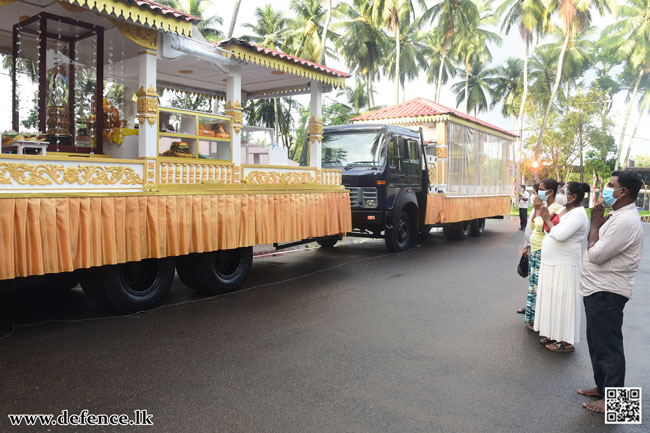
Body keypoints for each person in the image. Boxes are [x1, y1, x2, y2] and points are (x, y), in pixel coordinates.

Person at [578, 171, 644, 414]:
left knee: (609, 345)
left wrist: (595, 226)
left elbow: (595, 254)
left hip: (608, 292)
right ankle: (604, 387)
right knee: (597, 341)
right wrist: (597, 227)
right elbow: (594, 245)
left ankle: (617, 404)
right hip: (597, 289)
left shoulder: (625, 222)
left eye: (610, 185)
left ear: (623, 191)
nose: (605, 189)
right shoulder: (617, 216)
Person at [534, 182, 590, 352]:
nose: (559, 194)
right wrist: (547, 222)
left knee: (564, 302)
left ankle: (566, 341)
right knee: (553, 299)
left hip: (565, 264)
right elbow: (547, 229)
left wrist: (547, 221)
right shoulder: (562, 210)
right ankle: (553, 333)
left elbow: (559, 234)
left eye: (563, 191)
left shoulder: (578, 214)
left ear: (573, 197)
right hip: (552, 263)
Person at [518, 180, 562, 328]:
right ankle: (533, 317)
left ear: (551, 192)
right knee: (534, 285)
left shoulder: (555, 208)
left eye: (542, 190)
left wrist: (537, 211)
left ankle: (540, 320)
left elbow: (540, 226)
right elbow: (532, 226)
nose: (539, 193)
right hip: (535, 248)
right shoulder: (544, 207)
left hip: (544, 250)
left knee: (541, 286)